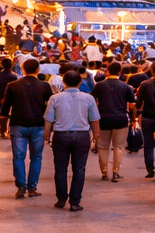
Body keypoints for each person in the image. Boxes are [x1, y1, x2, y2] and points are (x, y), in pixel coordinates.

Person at [44, 68, 101, 212]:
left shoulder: (55, 98)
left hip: (61, 136)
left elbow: (48, 120)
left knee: (60, 169)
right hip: (82, 136)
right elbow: (94, 120)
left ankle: (61, 198)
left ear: (63, 82)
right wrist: (96, 137)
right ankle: (75, 201)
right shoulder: (89, 98)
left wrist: (47, 136)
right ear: (80, 82)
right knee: (79, 169)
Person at [0, 56, 53, 199]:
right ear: (38, 70)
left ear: (23, 69)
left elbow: (5, 109)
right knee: (36, 157)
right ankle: (32, 188)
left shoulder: (13, 85)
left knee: (18, 157)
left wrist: (3, 128)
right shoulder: (45, 86)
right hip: (38, 125)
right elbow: (50, 108)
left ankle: (21, 187)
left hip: (18, 125)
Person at [91, 60, 136, 182]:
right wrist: (133, 120)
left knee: (103, 146)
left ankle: (104, 172)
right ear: (120, 72)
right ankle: (116, 171)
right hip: (121, 118)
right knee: (119, 147)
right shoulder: (126, 87)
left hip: (103, 119)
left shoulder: (99, 85)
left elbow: (93, 102)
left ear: (108, 71)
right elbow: (132, 105)